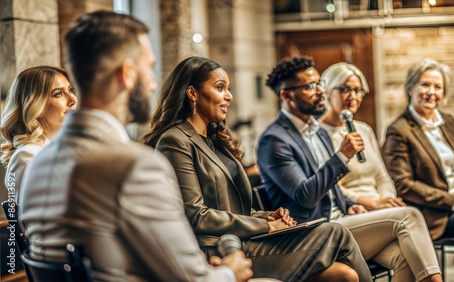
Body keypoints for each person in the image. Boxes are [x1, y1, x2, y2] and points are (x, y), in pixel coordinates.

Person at [18, 11, 252, 282]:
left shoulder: (37, 164)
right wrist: (230, 271)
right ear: (127, 73)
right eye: (148, 69)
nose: (153, 85)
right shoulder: (135, 166)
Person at [142, 56, 372, 282]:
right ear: (192, 93)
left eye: (228, 89)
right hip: (218, 251)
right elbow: (195, 215)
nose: (229, 96)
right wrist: (266, 224)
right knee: (335, 231)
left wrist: (268, 215)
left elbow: (233, 209)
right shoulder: (175, 140)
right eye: (220, 88)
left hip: (244, 241)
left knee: (345, 274)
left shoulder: (213, 140)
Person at [257, 56, 442, 282]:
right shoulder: (275, 140)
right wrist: (342, 156)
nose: (319, 92)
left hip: (342, 219)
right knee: (410, 215)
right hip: (313, 233)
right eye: (310, 86)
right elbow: (305, 196)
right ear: (287, 95)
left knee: (403, 256)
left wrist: (351, 204)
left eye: (319, 85)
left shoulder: (317, 132)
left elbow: (333, 189)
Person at [382, 58, 454, 280]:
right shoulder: (398, 130)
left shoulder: (446, 121)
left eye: (438, 87)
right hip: (437, 215)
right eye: (425, 85)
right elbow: (404, 186)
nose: (431, 92)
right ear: (410, 87)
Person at [319, 62, 405, 210]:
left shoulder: (364, 130)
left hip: (380, 203)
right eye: (344, 89)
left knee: (410, 213)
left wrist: (387, 200)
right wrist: (372, 204)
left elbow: (382, 177)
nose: (352, 96)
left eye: (358, 90)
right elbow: (333, 187)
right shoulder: (318, 134)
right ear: (327, 91)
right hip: (352, 208)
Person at [1, 66, 77, 201]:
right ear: (35, 105)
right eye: (58, 94)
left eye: (70, 90)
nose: (73, 99)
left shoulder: (67, 147)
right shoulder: (27, 156)